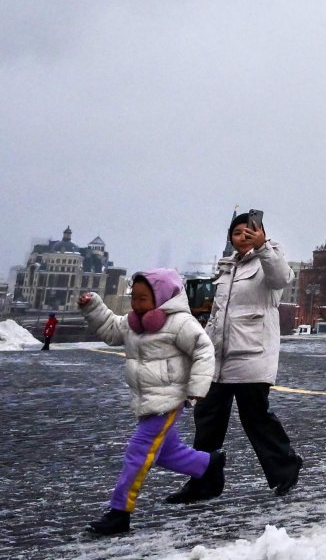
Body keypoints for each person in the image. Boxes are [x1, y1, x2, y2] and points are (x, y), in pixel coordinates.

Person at [167, 212, 301, 503]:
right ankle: (204, 482)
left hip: (252, 355)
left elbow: (280, 277)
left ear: (261, 233)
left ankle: (285, 467)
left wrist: (264, 247)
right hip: (219, 359)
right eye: (237, 232)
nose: (243, 236)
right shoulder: (227, 268)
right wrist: (203, 349)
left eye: (249, 231)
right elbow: (217, 316)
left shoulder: (270, 259)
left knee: (255, 418)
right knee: (207, 419)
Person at [79, 270, 224, 536]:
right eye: (134, 297)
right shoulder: (134, 323)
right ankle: (208, 465)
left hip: (168, 401)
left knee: (138, 452)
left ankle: (119, 512)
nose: (136, 304)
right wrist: (93, 307)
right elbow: (111, 330)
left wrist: (197, 388)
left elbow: (204, 349)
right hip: (146, 401)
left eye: (143, 298)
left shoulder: (180, 323)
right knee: (167, 452)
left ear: (160, 298)